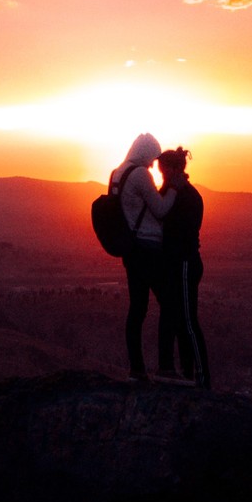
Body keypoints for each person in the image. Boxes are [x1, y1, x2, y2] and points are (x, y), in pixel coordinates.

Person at [107, 132, 178, 381]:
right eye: (152, 158)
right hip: (148, 248)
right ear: (146, 153)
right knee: (169, 304)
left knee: (137, 309)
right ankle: (166, 368)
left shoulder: (117, 173)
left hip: (131, 250)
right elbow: (160, 209)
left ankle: (137, 369)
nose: (152, 165)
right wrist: (174, 191)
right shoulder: (139, 174)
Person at [156, 146, 209, 387]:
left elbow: (178, 232)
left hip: (185, 263)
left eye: (164, 171)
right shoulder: (173, 192)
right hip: (175, 264)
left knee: (187, 322)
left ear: (175, 169)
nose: (162, 175)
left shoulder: (186, 196)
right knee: (177, 320)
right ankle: (187, 374)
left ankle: (201, 377)